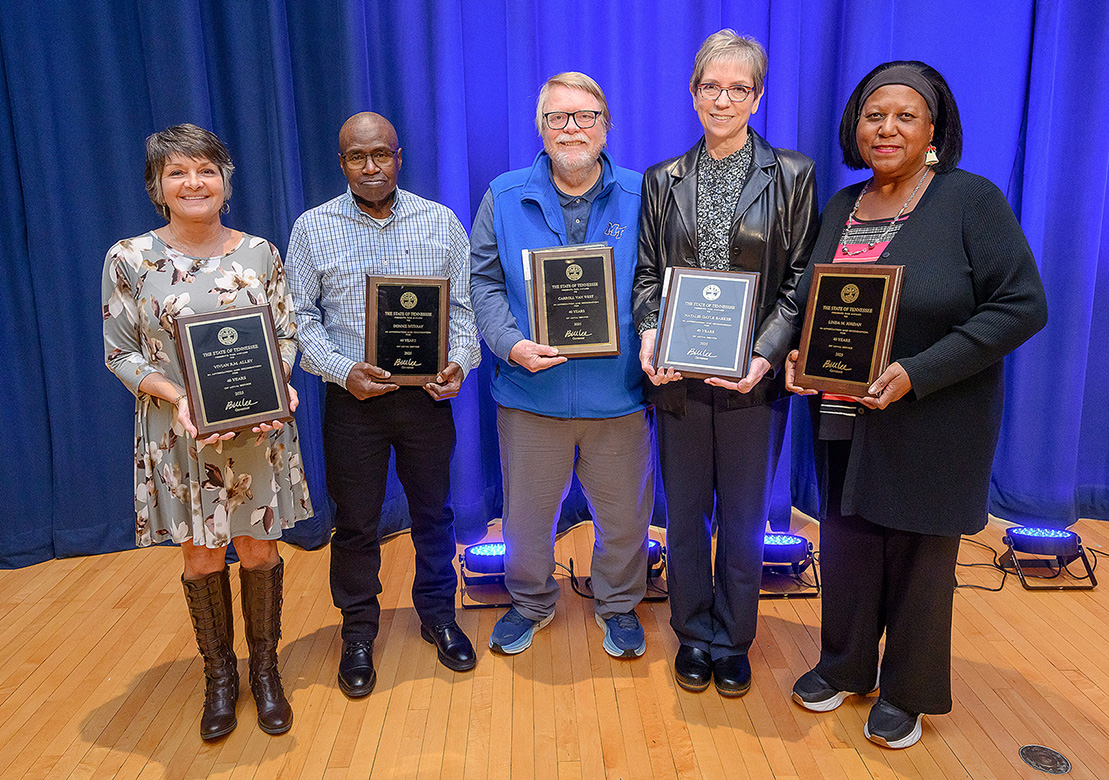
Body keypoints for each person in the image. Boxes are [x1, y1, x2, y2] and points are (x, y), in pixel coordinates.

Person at [786, 60, 1047, 748]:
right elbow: (822, 304)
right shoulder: (841, 206)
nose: (888, 127)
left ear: (934, 128)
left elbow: (1023, 305)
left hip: (934, 417)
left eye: (906, 115)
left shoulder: (970, 200)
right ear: (856, 127)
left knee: (920, 560)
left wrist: (917, 371)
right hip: (843, 415)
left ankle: (907, 689)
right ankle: (845, 664)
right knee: (846, 543)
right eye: (875, 115)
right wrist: (800, 358)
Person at [102, 124, 312, 740]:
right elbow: (120, 354)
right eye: (177, 173)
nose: (194, 182)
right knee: (200, 554)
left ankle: (265, 672)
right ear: (158, 187)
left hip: (257, 431)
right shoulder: (129, 258)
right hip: (180, 433)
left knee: (259, 550)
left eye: (207, 171)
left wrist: (284, 382)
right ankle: (220, 676)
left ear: (225, 182)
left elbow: (285, 337)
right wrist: (178, 396)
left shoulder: (261, 254)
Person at [632, 29, 819, 697]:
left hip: (751, 384)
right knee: (683, 514)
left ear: (758, 96)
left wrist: (767, 356)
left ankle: (733, 637)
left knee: (742, 518)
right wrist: (651, 334)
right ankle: (692, 631)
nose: (723, 98)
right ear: (692, 93)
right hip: (677, 378)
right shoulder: (662, 179)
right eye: (711, 86)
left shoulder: (793, 175)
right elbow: (648, 274)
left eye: (738, 87)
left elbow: (801, 280)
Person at [286, 112, 481, 694]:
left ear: (399, 157)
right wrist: (344, 371)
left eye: (381, 155)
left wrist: (460, 363)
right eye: (356, 157)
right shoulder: (313, 228)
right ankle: (359, 632)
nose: (370, 167)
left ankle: (439, 617)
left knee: (433, 513)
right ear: (341, 162)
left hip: (425, 400)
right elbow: (300, 321)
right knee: (356, 524)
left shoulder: (440, 222)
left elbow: (465, 311)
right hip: (353, 403)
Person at [470, 72, 653, 659]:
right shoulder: (503, 195)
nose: (571, 128)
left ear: (606, 126)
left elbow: (661, 281)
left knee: (625, 519)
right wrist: (509, 344)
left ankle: (619, 605)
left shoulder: (643, 194)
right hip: (530, 393)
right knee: (525, 518)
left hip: (619, 393)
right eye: (557, 118)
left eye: (584, 117)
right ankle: (528, 602)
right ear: (540, 128)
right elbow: (483, 282)